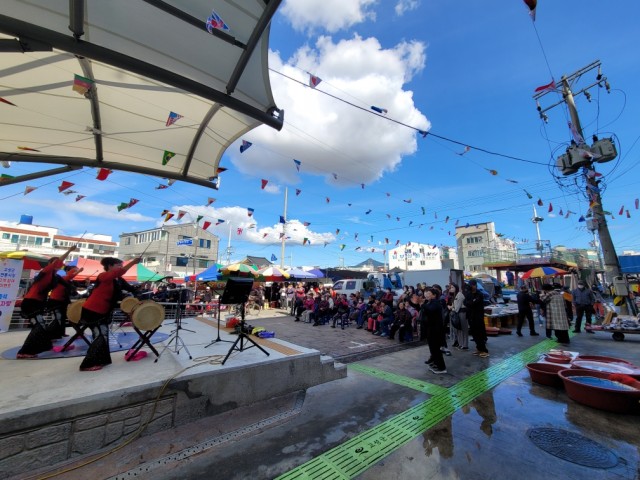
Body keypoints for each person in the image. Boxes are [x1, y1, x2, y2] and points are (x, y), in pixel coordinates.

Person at [78, 257, 141, 371]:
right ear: (110, 266)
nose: (120, 267)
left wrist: (137, 289)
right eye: (118, 265)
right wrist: (133, 262)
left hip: (101, 311)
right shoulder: (103, 276)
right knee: (100, 335)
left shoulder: (117, 280)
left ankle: (101, 360)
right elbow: (120, 273)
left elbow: (129, 288)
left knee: (103, 335)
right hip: (93, 310)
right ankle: (87, 365)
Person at [16, 245, 77, 358]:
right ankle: (24, 351)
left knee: (42, 326)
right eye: (56, 263)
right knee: (40, 326)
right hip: (31, 302)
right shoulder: (47, 270)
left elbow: (67, 281)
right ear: (51, 264)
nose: (59, 264)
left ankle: (45, 346)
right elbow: (59, 261)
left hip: (38, 303)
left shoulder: (55, 276)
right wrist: (69, 250)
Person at [47, 265, 83, 339]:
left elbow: (72, 291)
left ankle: (60, 333)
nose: (75, 272)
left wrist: (78, 289)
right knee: (59, 318)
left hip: (62, 301)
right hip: (56, 301)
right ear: (68, 271)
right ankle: (53, 334)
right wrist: (78, 271)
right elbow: (70, 276)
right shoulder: (63, 278)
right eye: (74, 270)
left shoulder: (68, 281)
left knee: (63, 317)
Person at [424, 288, 447, 374]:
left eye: (428, 293)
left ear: (434, 295)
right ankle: (436, 363)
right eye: (426, 293)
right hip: (430, 329)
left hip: (435, 330)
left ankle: (442, 368)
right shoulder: (429, 302)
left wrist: (421, 304)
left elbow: (429, 310)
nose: (426, 294)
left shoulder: (436, 303)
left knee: (436, 349)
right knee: (432, 348)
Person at [464, 279, 489, 357]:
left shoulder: (479, 294)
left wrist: (470, 302)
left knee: (480, 334)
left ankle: (484, 350)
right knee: (474, 334)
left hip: (478, 317)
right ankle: (479, 349)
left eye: (472, 285)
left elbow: (472, 303)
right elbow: (465, 302)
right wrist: (470, 302)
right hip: (471, 317)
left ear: (475, 285)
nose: (471, 287)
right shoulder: (468, 293)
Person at [448, 284, 469, 350]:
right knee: (458, 329)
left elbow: (457, 308)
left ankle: (465, 345)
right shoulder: (455, 295)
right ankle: (460, 344)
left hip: (462, 313)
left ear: (456, 287)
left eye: (452, 287)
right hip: (457, 313)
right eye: (450, 287)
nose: (451, 289)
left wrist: (451, 308)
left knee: (463, 329)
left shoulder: (459, 295)